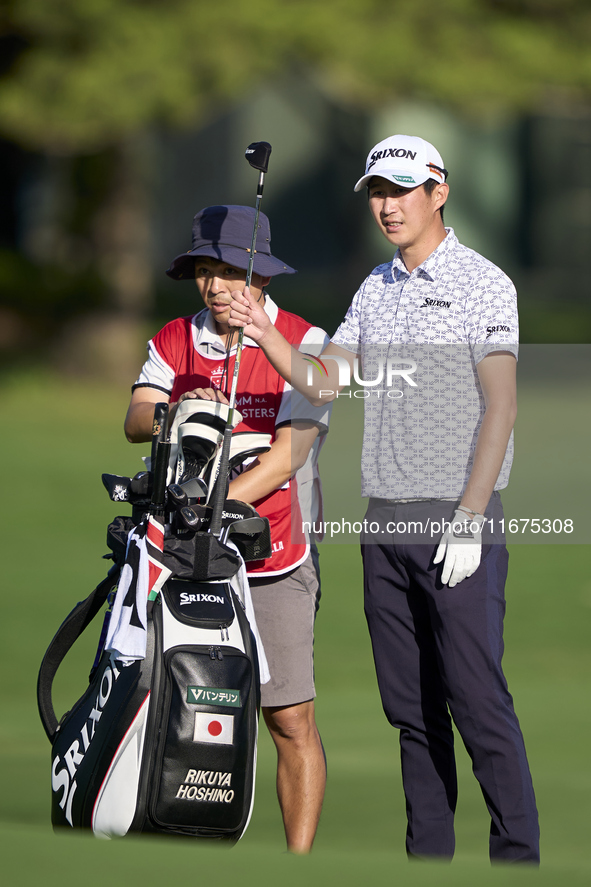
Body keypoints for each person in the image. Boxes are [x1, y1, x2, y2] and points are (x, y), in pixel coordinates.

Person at [227, 136, 540, 863]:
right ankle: (426, 859)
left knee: (476, 700)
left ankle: (516, 858)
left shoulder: (484, 282)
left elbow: (500, 407)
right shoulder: (374, 286)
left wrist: (468, 518)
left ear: (439, 191)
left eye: (401, 189)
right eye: (376, 191)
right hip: (386, 522)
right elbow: (325, 380)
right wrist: (265, 330)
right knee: (410, 710)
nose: (386, 205)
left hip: (455, 517)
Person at [124, 204, 330, 854]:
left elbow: (286, 457)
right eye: (204, 271)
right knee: (166, 701)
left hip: (271, 556)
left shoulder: (304, 339)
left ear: (260, 277)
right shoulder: (175, 339)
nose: (214, 286)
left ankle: (298, 861)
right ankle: (168, 831)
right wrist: (175, 409)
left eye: (227, 271)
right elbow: (135, 414)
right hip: (177, 555)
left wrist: (211, 510)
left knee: (288, 717)